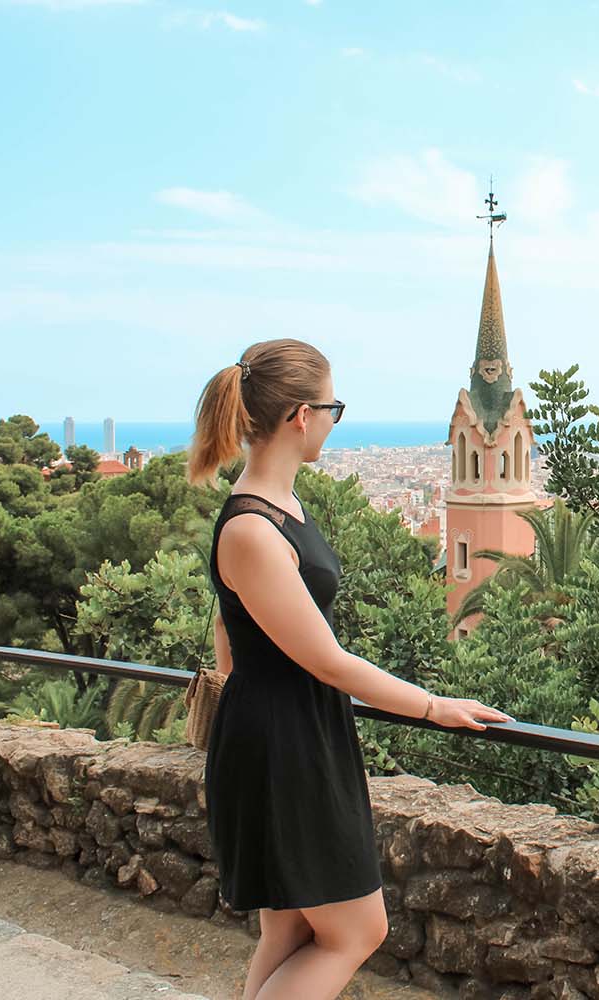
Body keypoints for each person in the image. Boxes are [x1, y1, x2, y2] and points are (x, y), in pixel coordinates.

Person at [186, 337, 513, 1000]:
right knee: (356, 931)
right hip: (285, 744)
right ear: (300, 416)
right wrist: (433, 705)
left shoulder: (281, 511)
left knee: (288, 936)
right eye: (332, 406)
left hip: (292, 731)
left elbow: (229, 626)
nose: (336, 420)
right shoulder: (253, 528)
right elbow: (327, 659)